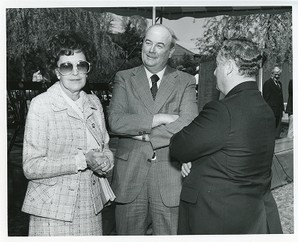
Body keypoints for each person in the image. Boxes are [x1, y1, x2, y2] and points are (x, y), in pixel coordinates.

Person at [170, 39, 282, 234]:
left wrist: (189, 156)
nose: (214, 72)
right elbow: (232, 151)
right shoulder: (264, 109)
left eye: (217, 66)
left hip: (216, 219)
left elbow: (178, 146)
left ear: (229, 67)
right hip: (251, 217)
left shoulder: (222, 110)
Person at [22, 32, 115, 236]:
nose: (75, 72)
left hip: (90, 207)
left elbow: (105, 147)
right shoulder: (42, 105)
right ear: (57, 72)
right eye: (66, 66)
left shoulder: (94, 103)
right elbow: (31, 166)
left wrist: (106, 161)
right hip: (52, 211)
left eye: (81, 65)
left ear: (87, 69)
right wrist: (81, 160)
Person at [108, 24, 198, 235]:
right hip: (130, 177)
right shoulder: (124, 77)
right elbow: (116, 122)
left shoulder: (185, 81)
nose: (151, 50)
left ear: (171, 51)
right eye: (148, 43)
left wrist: (145, 135)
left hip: (169, 176)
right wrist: (160, 118)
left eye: (159, 45)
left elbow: (188, 121)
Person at [263, 66, 284, 138]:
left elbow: (281, 97)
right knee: (271, 129)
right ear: (272, 74)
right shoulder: (268, 83)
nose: (277, 76)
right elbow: (266, 98)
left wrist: (282, 109)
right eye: (275, 74)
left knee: (277, 130)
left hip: (279, 110)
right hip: (271, 110)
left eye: (279, 74)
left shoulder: (279, 84)